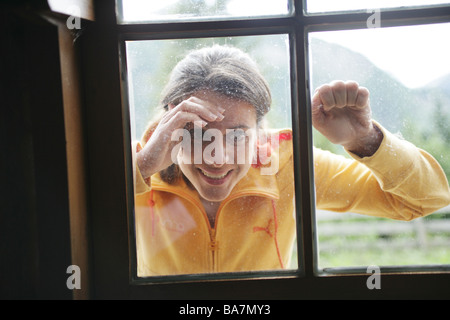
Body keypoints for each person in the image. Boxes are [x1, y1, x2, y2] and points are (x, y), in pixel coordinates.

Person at [133, 45, 450, 276]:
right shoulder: (137, 167)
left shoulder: (289, 164)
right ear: (170, 125)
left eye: (238, 135)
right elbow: (84, 226)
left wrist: (364, 139)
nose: (218, 158)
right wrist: (143, 167)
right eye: (200, 134)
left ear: (260, 130)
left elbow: (426, 199)